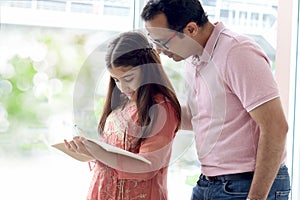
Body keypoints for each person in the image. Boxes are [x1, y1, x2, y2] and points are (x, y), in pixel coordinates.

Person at [141, 0, 291, 200]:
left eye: (162, 42)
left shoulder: (237, 52)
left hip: (246, 185)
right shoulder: (193, 58)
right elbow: (198, 117)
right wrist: (148, 109)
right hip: (210, 182)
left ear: (191, 29)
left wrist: (255, 197)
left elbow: (276, 127)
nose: (159, 50)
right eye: (153, 41)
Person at [64, 31, 181, 200]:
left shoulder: (161, 108)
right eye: (116, 80)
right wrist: (87, 150)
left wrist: (99, 153)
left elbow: (147, 167)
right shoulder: (121, 103)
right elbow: (114, 153)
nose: (123, 88)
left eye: (128, 78)